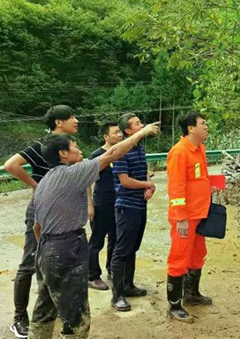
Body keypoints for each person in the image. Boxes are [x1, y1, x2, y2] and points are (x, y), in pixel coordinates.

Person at [28, 123, 159, 338]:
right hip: (67, 249)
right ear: (63, 154)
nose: (79, 150)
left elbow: (37, 227)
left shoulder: (43, 182)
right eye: (74, 146)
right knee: (76, 317)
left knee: (45, 310)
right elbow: (113, 154)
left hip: (45, 250)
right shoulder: (71, 173)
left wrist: (49, 249)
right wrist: (142, 133)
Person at [4, 105, 78, 339]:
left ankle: (52, 310)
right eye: (71, 117)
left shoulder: (69, 146)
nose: (76, 120)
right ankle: (19, 317)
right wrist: (37, 186)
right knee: (30, 261)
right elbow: (10, 165)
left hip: (63, 211)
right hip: (41, 209)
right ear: (58, 122)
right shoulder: (41, 145)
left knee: (57, 261)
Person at [165, 112, 215, 323]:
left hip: (200, 213)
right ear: (191, 128)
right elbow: (176, 188)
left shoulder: (200, 148)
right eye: (203, 123)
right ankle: (174, 305)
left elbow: (199, 178)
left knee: (197, 255)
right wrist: (181, 218)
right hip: (185, 217)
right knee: (179, 259)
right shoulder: (179, 152)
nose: (206, 126)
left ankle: (192, 294)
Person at [110, 114, 160, 311]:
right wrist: (147, 185)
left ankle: (128, 285)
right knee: (122, 250)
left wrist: (148, 184)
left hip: (140, 204)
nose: (142, 125)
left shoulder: (139, 148)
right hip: (126, 205)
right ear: (128, 131)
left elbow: (144, 172)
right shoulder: (121, 151)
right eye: (137, 124)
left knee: (132, 247)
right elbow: (125, 181)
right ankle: (117, 295)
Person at [87, 122, 123, 290]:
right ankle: (92, 275)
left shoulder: (121, 153)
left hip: (119, 202)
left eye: (120, 132)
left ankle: (112, 269)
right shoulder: (97, 155)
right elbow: (87, 181)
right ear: (106, 136)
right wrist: (90, 205)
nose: (119, 135)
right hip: (102, 203)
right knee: (97, 240)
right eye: (115, 132)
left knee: (116, 239)